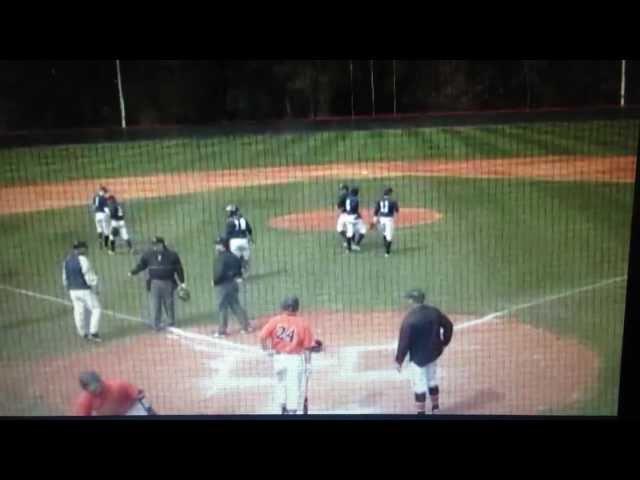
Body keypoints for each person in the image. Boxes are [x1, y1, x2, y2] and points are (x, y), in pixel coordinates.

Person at [395, 289, 454, 415]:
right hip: (433, 354)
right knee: (432, 381)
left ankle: (421, 413)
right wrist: (444, 342)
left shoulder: (409, 320)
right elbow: (449, 325)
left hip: (417, 359)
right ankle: (436, 408)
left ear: (412, 301)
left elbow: (404, 343)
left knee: (420, 386)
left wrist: (399, 360)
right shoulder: (434, 312)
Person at [259, 296, 316, 414]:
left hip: (278, 359)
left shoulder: (275, 320)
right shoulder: (303, 323)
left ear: (286, 307)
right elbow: (307, 348)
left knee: (281, 384)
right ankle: (291, 413)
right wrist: (309, 364)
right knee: (293, 388)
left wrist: (266, 350)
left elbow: (262, 337)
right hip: (294, 361)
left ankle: (283, 409)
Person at [129, 236, 186, 331]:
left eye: (157, 244)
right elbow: (141, 265)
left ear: (162, 244)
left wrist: (182, 282)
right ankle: (156, 324)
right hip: (154, 283)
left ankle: (171, 322)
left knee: (169, 303)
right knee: (155, 304)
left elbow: (179, 269)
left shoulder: (172, 255)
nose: (155, 247)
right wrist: (133, 272)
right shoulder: (148, 254)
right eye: (153, 245)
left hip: (168, 282)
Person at [62, 240, 102, 342]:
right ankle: (94, 332)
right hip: (84, 289)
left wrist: (68, 287)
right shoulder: (83, 260)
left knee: (78, 311)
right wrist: (96, 287)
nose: (86, 249)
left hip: (72, 291)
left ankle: (82, 333)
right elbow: (89, 276)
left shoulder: (67, 261)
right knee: (96, 309)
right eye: (85, 248)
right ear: (81, 249)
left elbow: (64, 278)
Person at [212, 236, 251, 337]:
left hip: (223, 285)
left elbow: (218, 272)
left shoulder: (220, 258)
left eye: (217, 245)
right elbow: (240, 269)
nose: (216, 247)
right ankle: (246, 326)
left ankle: (222, 331)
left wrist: (215, 281)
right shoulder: (233, 256)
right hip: (233, 284)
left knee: (222, 307)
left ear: (222, 246)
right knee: (235, 305)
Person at [72, 371, 156, 416]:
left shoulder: (117, 385)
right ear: (85, 389)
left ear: (101, 381)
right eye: (92, 388)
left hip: (131, 409)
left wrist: (138, 395)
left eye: (98, 385)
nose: (97, 389)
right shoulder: (84, 401)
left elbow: (138, 395)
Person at [224, 204, 254, 276]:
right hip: (244, 241)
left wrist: (225, 243)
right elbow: (249, 230)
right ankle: (244, 272)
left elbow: (227, 234)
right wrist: (251, 238)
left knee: (235, 260)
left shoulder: (230, 221)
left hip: (234, 242)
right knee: (246, 259)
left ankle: (237, 275)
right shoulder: (243, 219)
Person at [371, 186, 400, 257]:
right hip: (389, 220)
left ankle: (386, 248)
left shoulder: (379, 200)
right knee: (389, 236)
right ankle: (387, 252)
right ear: (390, 193)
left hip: (381, 219)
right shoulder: (393, 201)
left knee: (384, 233)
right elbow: (397, 211)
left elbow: (376, 211)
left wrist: (374, 221)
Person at [344, 186, 368, 252]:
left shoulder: (348, 198)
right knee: (363, 230)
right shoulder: (355, 199)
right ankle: (356, 245)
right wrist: (358, 215)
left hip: (347, 217)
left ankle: (348, 249)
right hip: (354, 217)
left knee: (349, 233)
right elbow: (354, 208)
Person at [335, 183, 350, 248]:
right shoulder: (351, 194)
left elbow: (338, 206)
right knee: (349, 228)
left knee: (339, 228)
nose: (340, 191)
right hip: (352, 214)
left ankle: (348, 240)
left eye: (341, 189)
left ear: (344, 190)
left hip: (344, 215)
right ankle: (350, 240)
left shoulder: (342, 196)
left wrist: (338, 213)